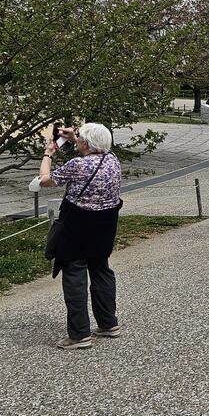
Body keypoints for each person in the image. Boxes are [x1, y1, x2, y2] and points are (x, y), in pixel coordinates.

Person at [39, 123, 124, 350]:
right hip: (105, 225)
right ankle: (108, 324)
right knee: (101, 269)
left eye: (80, 140)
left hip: (77, 226)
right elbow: (95, 147)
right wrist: (75, 137)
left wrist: (48, 154)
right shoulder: (113, 160)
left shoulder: (77, 165)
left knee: (75, 275)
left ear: (85, 144)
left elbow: (44, 180)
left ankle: (79, 335)